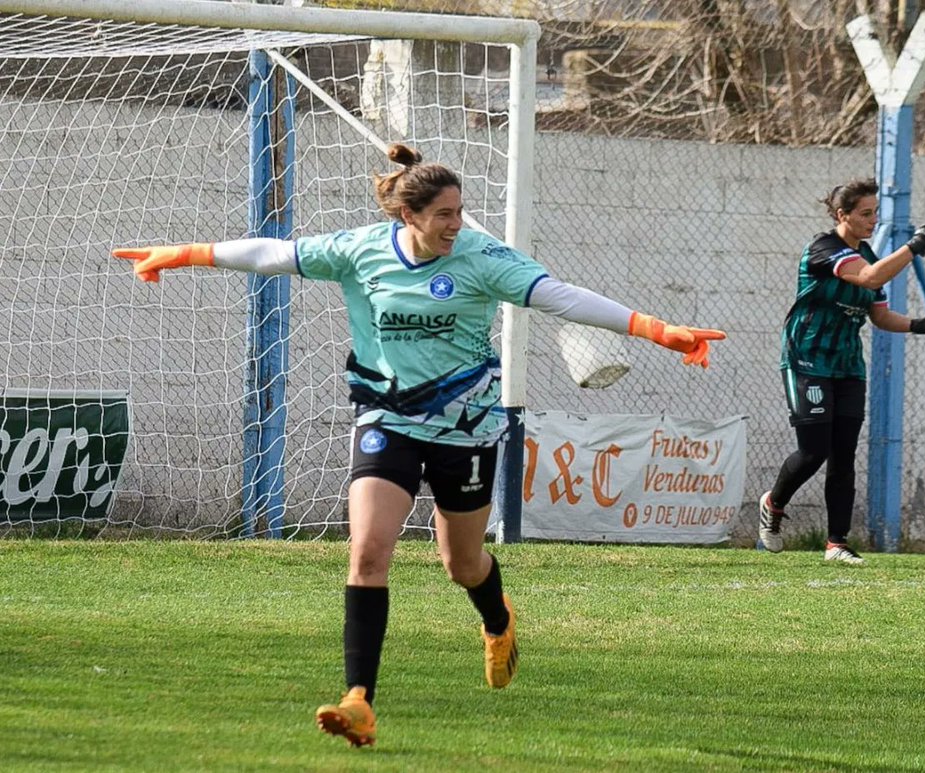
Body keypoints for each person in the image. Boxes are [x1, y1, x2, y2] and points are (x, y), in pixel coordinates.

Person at [112, 142, 726, 748]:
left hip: (468, 430)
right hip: (387, 420)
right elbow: (275, 253)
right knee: (368, 551)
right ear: (408, 216)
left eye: (459, 213)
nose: (456, 226)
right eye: (444, 215)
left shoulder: (484, 258)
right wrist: (185, 253)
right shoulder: (361, 251)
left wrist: (654, 329)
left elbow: (560, 296)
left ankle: (498, 619)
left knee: (461, 565)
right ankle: (359, 702)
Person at [757, 178, 925, 563]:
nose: (873, 220)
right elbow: (870, 278)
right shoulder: (824, 249)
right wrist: (913, 247)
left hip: (848, 366)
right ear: (841, 215)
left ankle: (836, 543)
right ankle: (774, 504)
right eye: (866, 213)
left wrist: (918, 325)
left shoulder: (867, 254)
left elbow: (878, 314)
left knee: (843, 454)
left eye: (876, 213)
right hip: (807, 360)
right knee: (813, 452)